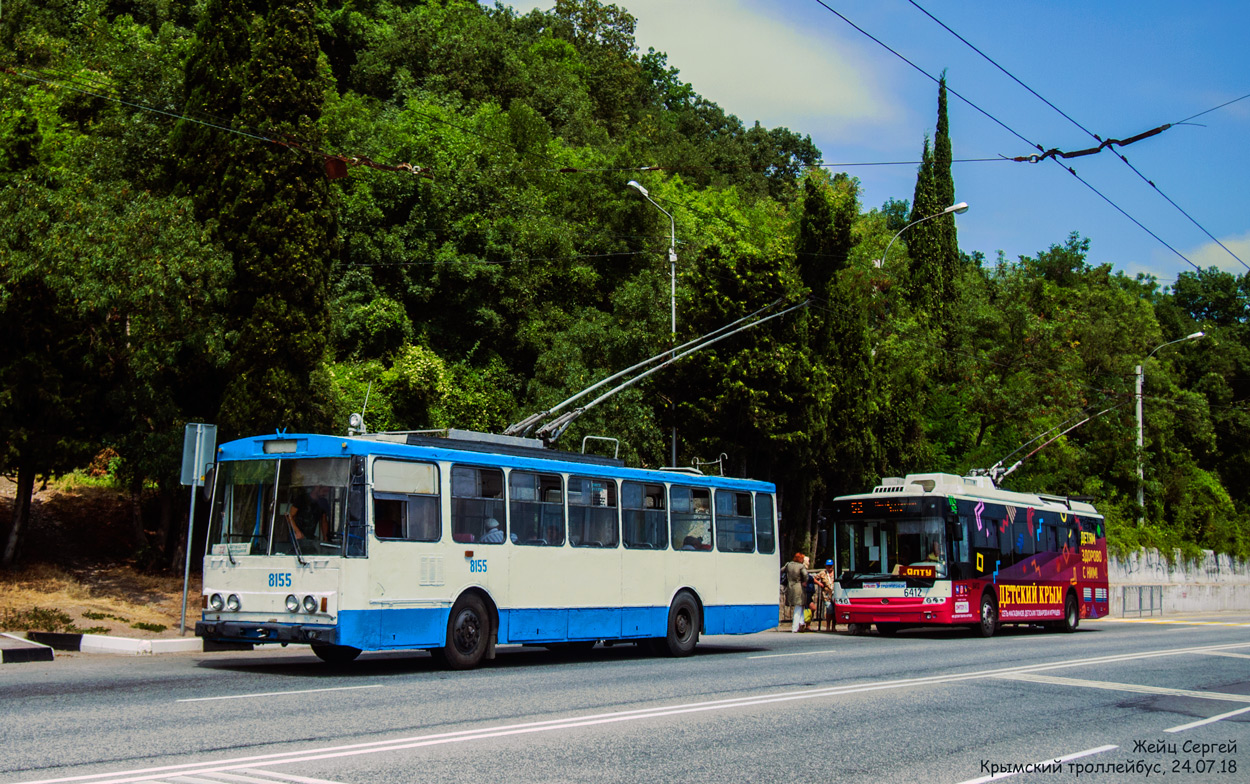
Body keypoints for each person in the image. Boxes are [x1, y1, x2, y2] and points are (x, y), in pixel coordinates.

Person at [784, 552, 809, 633]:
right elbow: (805, 575)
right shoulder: (801, 566)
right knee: (798, 606)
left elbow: (781, 570)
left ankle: (801, 623)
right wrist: (805, 582)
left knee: (800, 605)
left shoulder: (788, 564)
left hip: (790, 587)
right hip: (799, 587)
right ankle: (795, 627)